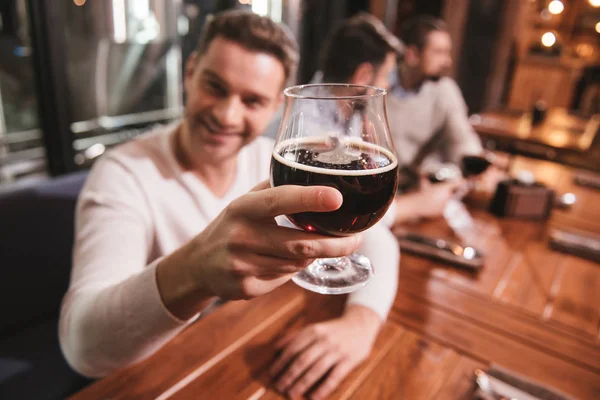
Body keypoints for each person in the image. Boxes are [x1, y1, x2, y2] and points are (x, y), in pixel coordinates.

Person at [59, 11, 399, 400]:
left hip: (251, 357)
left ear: (276, 108)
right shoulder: (124, 173)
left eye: (253, 100)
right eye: (215, 87)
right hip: (155, 378)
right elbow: (81, 346)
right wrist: (195, 271)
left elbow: (378, 242)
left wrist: (363, 322)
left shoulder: (268, 160)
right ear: (190, 72)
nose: (227, 114)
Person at [265, 13, 463, 224]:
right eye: (386, 75)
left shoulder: (351, 111)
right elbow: (318, 208)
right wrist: (415, 205)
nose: (387, 85)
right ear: (363, 76)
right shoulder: (306, 126)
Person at [387, 16, 483, 171]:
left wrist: (476, 165)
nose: (448, 62)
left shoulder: (445, 91)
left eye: (447, 53)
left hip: (419, 183)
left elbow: (461, 140)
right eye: (439, 52)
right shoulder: (379, 85)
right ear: (412, 55)